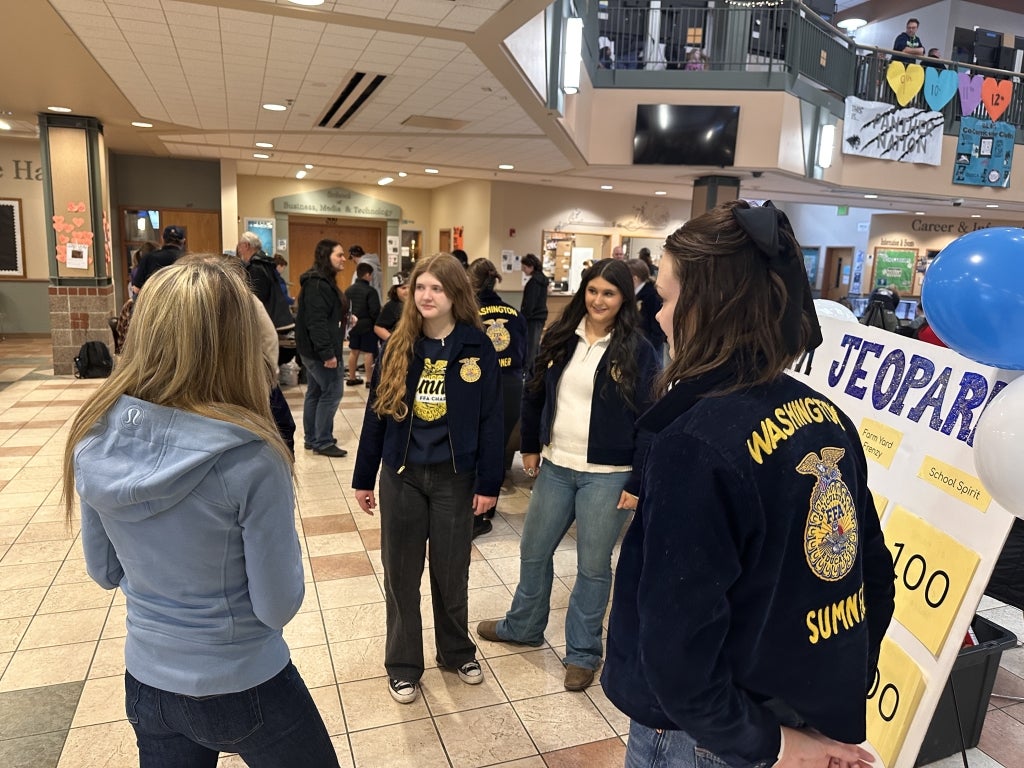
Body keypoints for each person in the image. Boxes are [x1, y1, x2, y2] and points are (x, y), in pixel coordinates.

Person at [601, 200, 895, 768]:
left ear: (707, 307)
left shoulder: (695, 440)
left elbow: (676, 653)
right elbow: (870, 578)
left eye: (665, 299)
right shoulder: (825, 416)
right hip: (787, 705)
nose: (658, 318)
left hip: (707, 733)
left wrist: (775, 745)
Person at [62, 255, 339, 768]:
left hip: (147, 681)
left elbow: (103, 572)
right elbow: (277, 605)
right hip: (246, 679)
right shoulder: (252, 457)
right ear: (238, 340)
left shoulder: (93, 436)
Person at [477, 259, 659, 692]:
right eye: (593, 290)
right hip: (557, 466)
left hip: (610, 475)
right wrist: (530, 446)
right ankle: (523, 625)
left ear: (623, 300)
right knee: (533, 549)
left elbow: (651, 420)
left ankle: (582, 653)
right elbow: (534, 390)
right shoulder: (562, 337)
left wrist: (639, 483)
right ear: (584, 292)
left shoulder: (639, 349)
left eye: (609, 293)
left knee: (593, 567)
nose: (599, 300)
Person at [352, 253, 503, 705]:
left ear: (456, 294)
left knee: (451, 572)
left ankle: (456, 651)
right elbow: (376, 415)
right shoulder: (400, 344)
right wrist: (363, 477)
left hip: (456, 479)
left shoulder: (477, 347)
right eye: (420, 287)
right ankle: (402, 664)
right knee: (401, 575)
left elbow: (494, 420)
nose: (426, 295)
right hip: (403, 476)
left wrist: (489, 485)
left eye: (436, 288)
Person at [467, 257, 528, 538]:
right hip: (512, 384)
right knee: (498, 446)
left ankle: (472, 512)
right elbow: (526, 353)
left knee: (474, 445)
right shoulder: (514, 314)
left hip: (478, 382)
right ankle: (487, 508)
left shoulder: (468, 312)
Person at [295, 239, 350, 458]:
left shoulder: (320, 281)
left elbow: (324, 316)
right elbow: (316, 322)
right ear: (326, 257)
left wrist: (345, 317)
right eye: (339, 255)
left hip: (313, 350)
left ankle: (313, 438)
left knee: (316, 391)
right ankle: (323, 441)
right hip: (319, 352)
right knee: (333, 391)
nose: (343, 259)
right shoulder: (317, 284)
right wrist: (327, 353)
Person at [238, 232, 295, 335]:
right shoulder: (267, 264)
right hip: (280, 319)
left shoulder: (256, 267)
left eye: (240, 246)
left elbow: (256, 299)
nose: (239, 250)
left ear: (246, 245)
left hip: (272, 323)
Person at [345, 262, 381, 387]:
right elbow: (374, 310)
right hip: (367, 325)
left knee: (354, 351)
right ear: (366, 275)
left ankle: (352, 377)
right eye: (371, 275)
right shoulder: (371, 291)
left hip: (353, 325)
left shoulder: (348, 290)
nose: (371, 277)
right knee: (368, 352)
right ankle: (369, 380)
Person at [627, 258, 666, 356]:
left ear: (634, 279)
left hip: (650, 346)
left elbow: (657, 327)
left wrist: (651, 347)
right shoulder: (636, 294)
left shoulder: (651, 295)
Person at [132, 226, 185, 296]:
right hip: (183, 304)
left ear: (162, 239)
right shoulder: (189, 259)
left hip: (155, 304)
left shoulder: (149, 258)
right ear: (183, 241)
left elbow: (137, 289)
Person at [519, 252, 548, 375]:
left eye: (524, 267)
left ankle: (528, 372)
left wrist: (523, 317)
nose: (523, 270)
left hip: (532, 318)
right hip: (540, 316)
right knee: (535, 345)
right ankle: (535, 371)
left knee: (531, 346)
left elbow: (530, 304)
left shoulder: (534, 283)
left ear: (531, 267)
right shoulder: (542, 280)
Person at [374, 272, 409, 343]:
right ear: (395, 290)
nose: (407, 291)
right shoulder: (392, 306)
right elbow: (378, 328)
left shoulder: (417, 305)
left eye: (410, 287)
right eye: (403, 288)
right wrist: (394, 343)